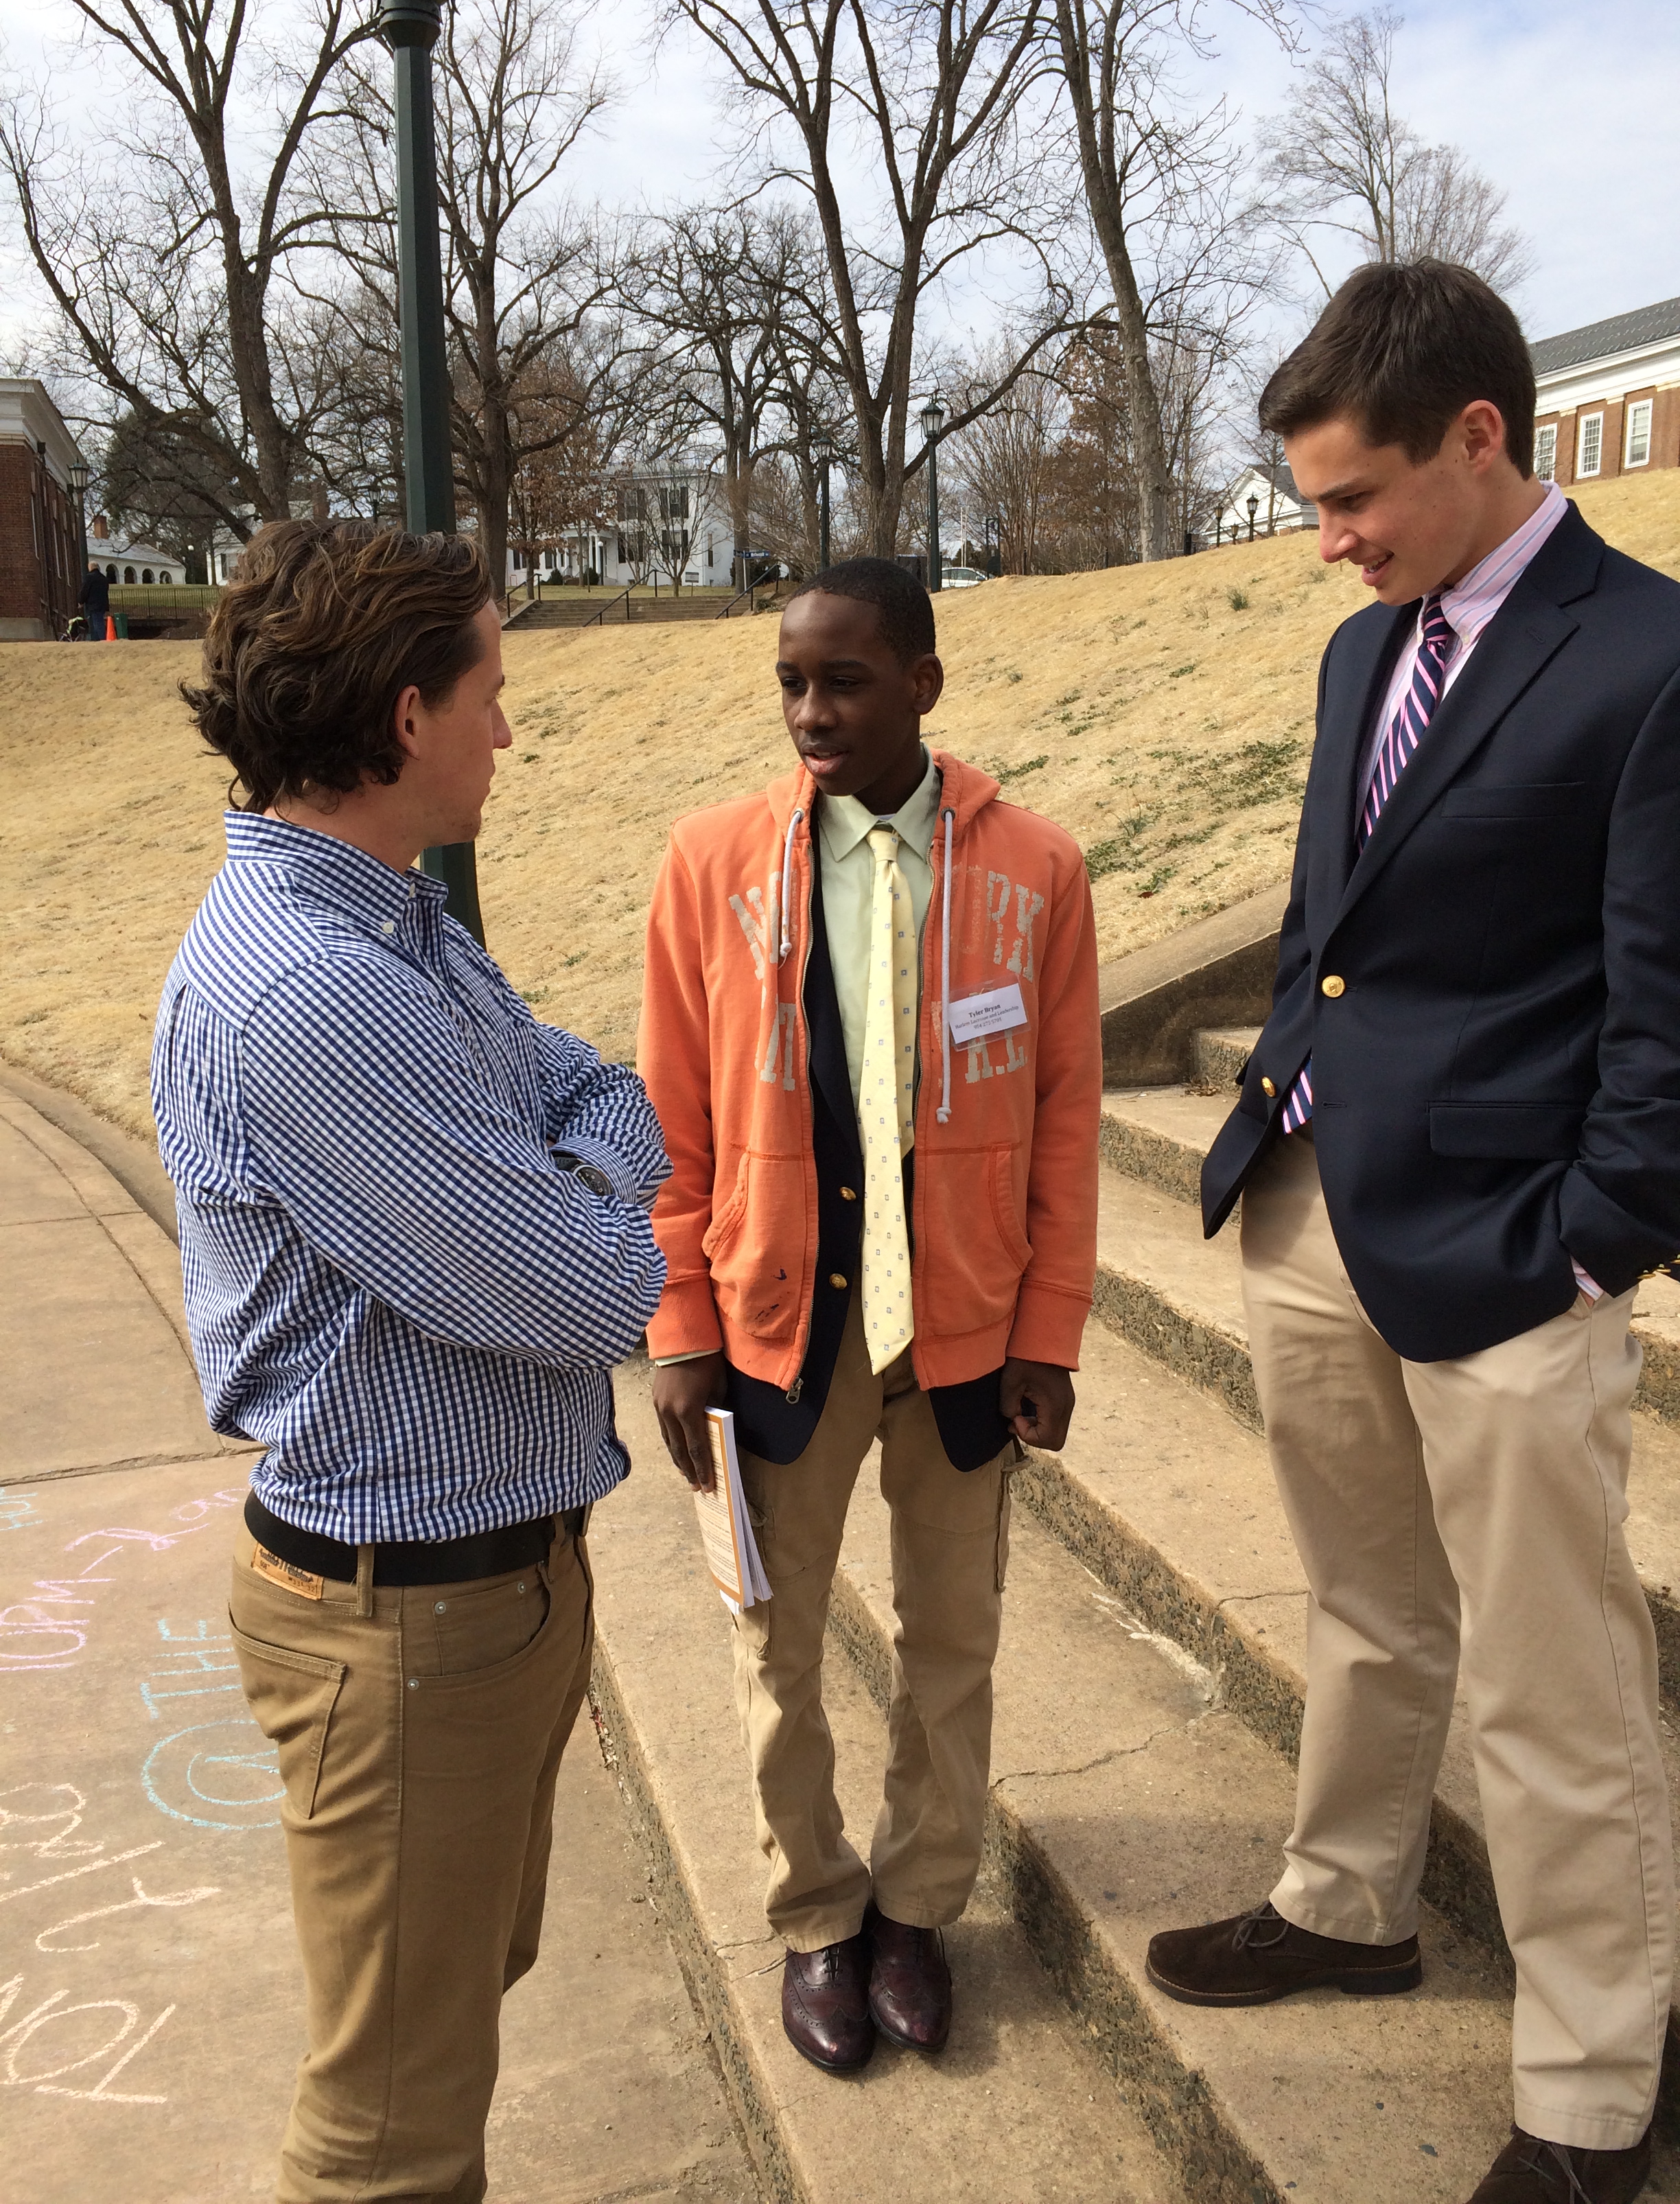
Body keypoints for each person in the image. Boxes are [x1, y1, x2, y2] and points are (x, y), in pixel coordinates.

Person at [1145, 261, 1680, 2204]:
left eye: (1352, 500)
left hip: (1516, 1260)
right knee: (1366, 1614)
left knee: (1558, 1684)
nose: (1328, 545)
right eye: (1309, 506)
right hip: (1314, 1207)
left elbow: (1667, 1006)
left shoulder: (1650, 655)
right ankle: (1348, 1897)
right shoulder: (1362, 652)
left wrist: (1596, 1238)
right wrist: (1276, 1086)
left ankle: (1597, 2088)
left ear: (1481, 436)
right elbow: (1332, 912)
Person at [151, 520, 668, 2204]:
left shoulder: (392, 926)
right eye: (490, 692)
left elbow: (594, 1087)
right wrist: (578, 1192)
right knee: (387, 2127)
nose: (507, 732)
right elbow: (593, 1284)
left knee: (438, 2033)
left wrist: (562, 1167)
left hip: (475, 1594)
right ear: (400, 715)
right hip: (406, 1625)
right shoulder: (315, 989)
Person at [639, 557, 1101, 2072]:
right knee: (772, 1643)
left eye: (843, 680)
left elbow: (1069, 1118)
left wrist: (1052, 1328)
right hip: (782, 1327)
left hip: (961, 1331)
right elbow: (672, 1123)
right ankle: (816, 1917)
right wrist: (680, 1322)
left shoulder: (1036, 869)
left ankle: (916, 1906)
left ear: (923, 683)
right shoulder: (712, 865)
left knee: (951, 1635)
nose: (811, 712)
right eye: (790, 681)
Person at [80, 557, 108, 640]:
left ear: (91, 568)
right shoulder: (104, 579)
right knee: (99, 621)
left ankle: (101, 639)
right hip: (102, 604)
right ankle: (97, 639)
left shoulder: (89, 577)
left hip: (93, 604)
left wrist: (81, 602)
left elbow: (85, 591)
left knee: (96, 624)